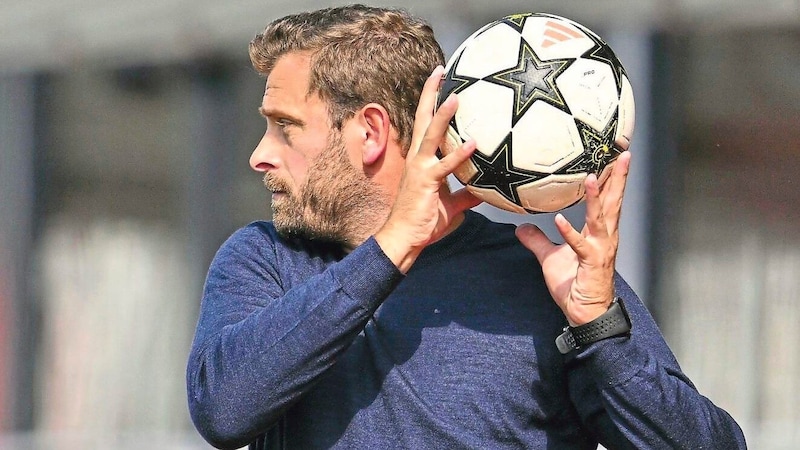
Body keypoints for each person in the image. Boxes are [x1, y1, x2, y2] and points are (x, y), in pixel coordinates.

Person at [186, 4, 746, 449]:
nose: (260, 155)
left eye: (285, 127)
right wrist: (387, 255)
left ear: (370, 132)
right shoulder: (265, 259)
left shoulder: (544, 277)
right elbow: (225, 412)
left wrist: (599, 327)